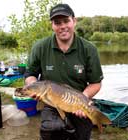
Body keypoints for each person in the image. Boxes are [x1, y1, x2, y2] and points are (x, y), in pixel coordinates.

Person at [24, 3, 103, 140]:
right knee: (51, 131)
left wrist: (81, 99)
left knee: (81, 136)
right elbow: (30, 74)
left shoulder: (89, 49)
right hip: (51, 103)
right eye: (57, 22)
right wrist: (33, 86)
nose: (62, 26)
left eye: (66, 21)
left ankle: (95, 121)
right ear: (52, 25)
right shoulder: (40, 47)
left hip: (79, 100)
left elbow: (96, 83)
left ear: (74, 21)